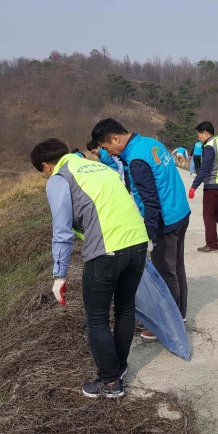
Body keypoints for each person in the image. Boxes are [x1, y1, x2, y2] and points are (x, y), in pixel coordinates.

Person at [31, 138, 149, 398]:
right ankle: (119, 368)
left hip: (107, 250)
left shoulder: (59, 178)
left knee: (96, 318)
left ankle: (109, 383)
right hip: (139, 242)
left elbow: (61, 231)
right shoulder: (99, 168)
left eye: (43, 173)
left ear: (45, 166)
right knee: (125, 309)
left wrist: (59, 275)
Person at [91, 118, 191, 340]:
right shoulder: (150, 143)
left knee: (166, 273)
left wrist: (150, 234)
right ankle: (180, 314)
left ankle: (169, 324)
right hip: (181, 211)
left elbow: (151, 200)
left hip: (165, 220)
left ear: (115, 138)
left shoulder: (136, 159)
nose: (112, 154)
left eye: (108, 148)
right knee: (177, 268)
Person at [188, 121, 218, 253]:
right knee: (215, 211)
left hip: (213, 185)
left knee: (208, 214)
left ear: (205, 133)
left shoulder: (209, 146)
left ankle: (212, 245)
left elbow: (205, 167)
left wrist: (194, 186)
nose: (199, 138)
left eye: (199, 135)